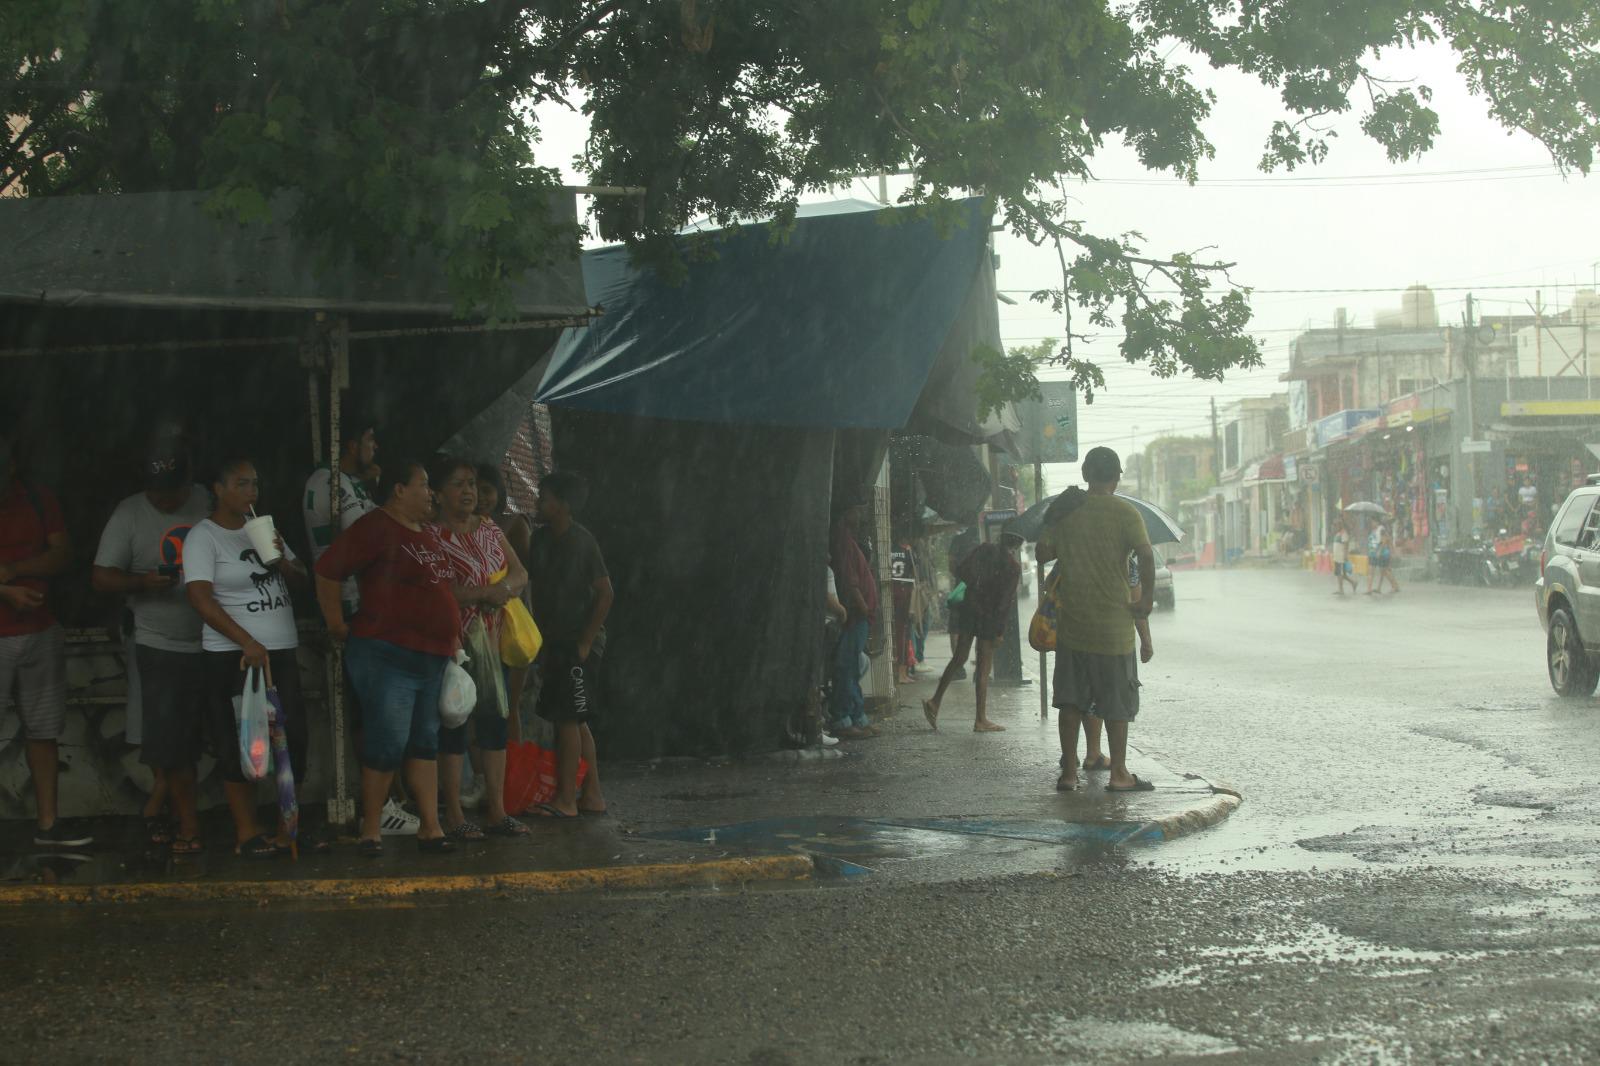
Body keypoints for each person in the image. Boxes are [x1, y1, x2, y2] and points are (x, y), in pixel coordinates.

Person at [314, 460, 460, 855]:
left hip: (431, 657)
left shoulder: (425, 532)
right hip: (388, 654)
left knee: (424, 741)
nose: (430, 493)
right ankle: (371, 830)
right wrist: (335, 624)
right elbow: (328, 570)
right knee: (387, 740)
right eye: (424, 484)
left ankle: (431, 827)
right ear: (399, 489)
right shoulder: (376, 527)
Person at [183, 457, 325, 857]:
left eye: (255, 484)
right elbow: (199, 597)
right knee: (241, 741)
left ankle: (287, 829)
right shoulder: (203, 537)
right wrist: (246, 641)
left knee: (291, 736)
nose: (251, 492)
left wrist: (280, 559)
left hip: (278, 651)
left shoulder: (264, 528)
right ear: (219, 488)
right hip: (233, 656)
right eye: (242, 484)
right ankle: (246, 832)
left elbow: (300, 581)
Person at [91, 427, 211, 853]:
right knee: (164, 738)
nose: (167, 502)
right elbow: (101, 575)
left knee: (208, 737)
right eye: (158, 494)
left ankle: (178, 813)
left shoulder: (209, 501)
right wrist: (142, 582)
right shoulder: (129, 513)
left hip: (215, 640)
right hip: (157, 641)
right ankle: (180, 821)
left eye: (174, 492)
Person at [302, 421, 418, 837]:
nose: (376, 446)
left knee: (384, 711)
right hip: (353, 607)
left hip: (366, 608)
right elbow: (370, 534)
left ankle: (390, 800)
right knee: (373, 713)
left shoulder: (351, 483)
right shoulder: (330, 484)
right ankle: (379, 810)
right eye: (370, 439)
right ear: (350, 443)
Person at [1037, 447, 1154, 793]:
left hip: (1073, 627)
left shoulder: (1067, 513)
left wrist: (1053, 520)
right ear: (1116, 478)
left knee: (1071, 701)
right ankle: (1119, 774)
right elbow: (1146, 556)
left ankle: (1070, 774)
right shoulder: (1126, 513)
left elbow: (1043, 554)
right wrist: (1145, 600)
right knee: (1117, 704)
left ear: (1086, 475)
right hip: (1115, 629)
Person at [429, 457, 530, 840]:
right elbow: (439, 591)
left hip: (492, 640)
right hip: (453, 645)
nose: (469, 491)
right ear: (438, 495)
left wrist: (505, 589)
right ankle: (454, 816)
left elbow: (520, 572)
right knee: (452, 723)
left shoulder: (489, 529)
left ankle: (497, 811)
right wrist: (481, 593)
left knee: (494, 724)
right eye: (459, 484)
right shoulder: (431, 536)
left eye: (471, 483)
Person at [0, 435, 90, 849]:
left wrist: (12, 570)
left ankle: (48, 827)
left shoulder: (37, 498)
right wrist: (6, 592)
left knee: (43, 732)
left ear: (13, 464)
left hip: (39, 629)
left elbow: (62, 555)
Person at [525, 471, 613, 818]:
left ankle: (566, 799)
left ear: (563, 505)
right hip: (555, 642)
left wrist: (585, 643)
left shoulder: (583, 543)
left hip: (577, 644)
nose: (538, 503)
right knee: (574, 720)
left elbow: (606, 595)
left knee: (567, 719)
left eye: (544, 498)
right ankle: (591, 795)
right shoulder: (541, 540)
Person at [922, 531, 1022, 733]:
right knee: (984, 667)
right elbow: (1004, 603)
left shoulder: (984, 549)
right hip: (989, 618)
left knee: (959, 657)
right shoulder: (1012, 567)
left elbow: (960, 570)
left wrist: (977, 586)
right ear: (1017, 546)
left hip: (970, 609)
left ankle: (935, 701)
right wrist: (1000, 631)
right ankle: (980, 719)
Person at [476, 463, 534, 747]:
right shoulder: (465, 528)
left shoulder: (512, 525)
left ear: (499, 491)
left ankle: (512, 771)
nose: (482, 497)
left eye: (488, 490)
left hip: (513, 623)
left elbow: (524, 573)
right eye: (476, 490)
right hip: (481, 626)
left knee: (506, 705)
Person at [828, 497, 879, 740]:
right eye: (857, 508)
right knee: (846, 667)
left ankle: (857, 716)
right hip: (856, 616)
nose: (861, 513)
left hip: (861, 617)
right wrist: (864, 608)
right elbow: (850, 582)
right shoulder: (843, 541)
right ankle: (842, 718)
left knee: (852, 666)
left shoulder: (848, 540)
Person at [945, 522, 979, 679]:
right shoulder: (983, 540)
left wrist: (961, 576)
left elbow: (951, 565)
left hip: (961, 588)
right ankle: (981, 666)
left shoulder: (957, 540)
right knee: (981, 628)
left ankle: (958, 668)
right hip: (980, 590)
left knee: (955, 628)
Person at [890, 538, 916, 684]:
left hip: (889, 592)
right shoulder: (907, 551)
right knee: (903, 633)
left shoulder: (886, 550)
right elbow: (914, 572)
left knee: (895, 633)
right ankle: (901, 673)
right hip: (904, 592)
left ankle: (899, 672)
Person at [1367, 521, 1400, 595]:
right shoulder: (1375, 531)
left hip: (1384, 554)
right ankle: (1384, 587)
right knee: (1384, 572)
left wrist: (1381, 551)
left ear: (1377, 522)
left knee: (1386, 572)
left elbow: (1385, 541)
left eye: (1373, 521)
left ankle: (1395, 586)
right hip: (1379, 554)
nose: (1372, 523)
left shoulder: (1381, 530)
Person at [1331, 516, 1358, 595]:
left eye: (1336, 525)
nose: (1335, 527)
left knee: (1340, 574)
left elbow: (1346, 545)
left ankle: (1341, 589)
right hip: (1337, 557)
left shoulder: (1344, 533)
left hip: (1341, 557)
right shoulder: (1338, 534)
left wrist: (1345, 556)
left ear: (1340, 525)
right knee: (1341, 574)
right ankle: (1353, 583)